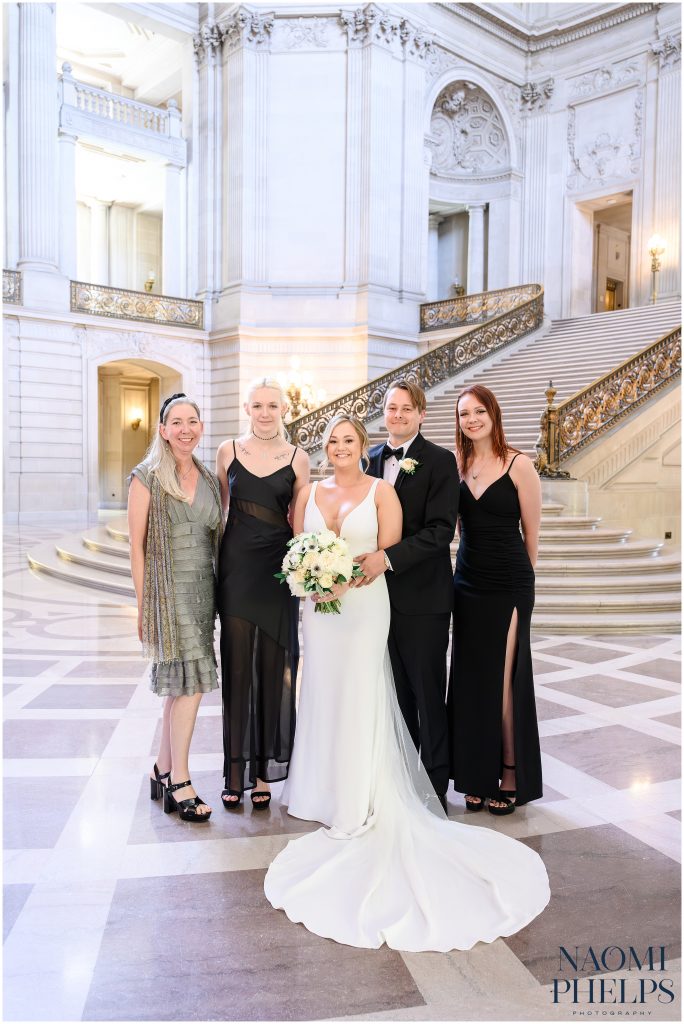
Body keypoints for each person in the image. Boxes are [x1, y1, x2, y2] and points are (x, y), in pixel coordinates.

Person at [264, 416, 550, 952]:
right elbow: (297, 548)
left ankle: (377, 787)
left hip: (373, 605)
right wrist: (310, 575)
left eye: (348, 439)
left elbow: (393, 551)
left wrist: (356, 572)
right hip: (322, 614)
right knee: (322, 695)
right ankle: (318, 785)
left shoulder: (397, 483)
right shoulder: (316, 487)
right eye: (333, 441)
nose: (341, 447)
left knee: (371, 693)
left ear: (416, 412)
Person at [357, 380, 459, 811]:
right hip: (377, 603)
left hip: (423, 599)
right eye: (390, 408)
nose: (396, 416)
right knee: (394, 695)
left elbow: (440, 532)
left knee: (426, 693)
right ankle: (401, 780)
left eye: (405, 409)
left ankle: (434, 786)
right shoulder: (370, 459)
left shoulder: (439, 461)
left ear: (421, 414)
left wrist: (387, 558)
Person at [448, 384, 543, 815]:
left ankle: (508, 771)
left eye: (478, 411)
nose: (471, 420)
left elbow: (532, 537)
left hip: (508, 582)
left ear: (493, 414)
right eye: (464, 414)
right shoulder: (459, 464)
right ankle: (473, 775)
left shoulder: (519, 465)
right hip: (466, 581)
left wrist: (523, 588)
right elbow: (455, 529)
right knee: (470, 679)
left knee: (504, 680)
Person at [128, 393, 223, 823]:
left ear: (200, 427)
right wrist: (143, 605)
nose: (186, 429)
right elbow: (137, 546)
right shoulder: (146, 476)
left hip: (204, 590)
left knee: (182, 683)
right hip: (169, 594)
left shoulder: (207, 474)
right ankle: (181, 780)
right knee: (190, 686)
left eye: (193, 421)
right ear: (163, 430)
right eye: (177, 422)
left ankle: (162, 769)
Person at [216, 378, 310, 809]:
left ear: (283, 409)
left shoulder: (299, 458)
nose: (266, 412)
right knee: (237, 669)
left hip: (277, 574)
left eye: (273, 405)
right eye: (259, 405)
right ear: (246, 407)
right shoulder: (227, 452)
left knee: (276, 670)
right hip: (236, 572)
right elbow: (222, 513)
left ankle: (264, 773)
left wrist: (305, 574)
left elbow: (299, 520)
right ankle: (235, 770)